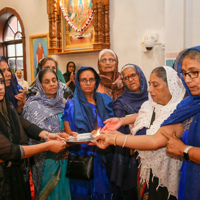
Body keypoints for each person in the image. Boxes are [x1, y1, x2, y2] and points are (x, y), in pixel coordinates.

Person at [93, 66, 186, 200]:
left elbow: (155, 141)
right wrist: (121, 120)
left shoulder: (178, 112)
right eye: (149, 84)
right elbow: (144, 113)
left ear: (171, 86)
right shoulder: (151, 105)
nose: (149, 89)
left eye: (155, 85)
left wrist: (116, 139)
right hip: (147, 172)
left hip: (167, 176)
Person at [0, 68, 67, 200]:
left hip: (15, 172)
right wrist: (47, 146)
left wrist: (47, 135)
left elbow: (23, 122)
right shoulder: (32, 105)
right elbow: (10, 151)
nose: (0, 87)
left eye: (1, 81)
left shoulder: (5, 106)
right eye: (47, 81)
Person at [62, 66, 116, 200]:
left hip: (103, 156)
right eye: (83, 80)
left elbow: (114, 126)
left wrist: (102, 134)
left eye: (91, 79)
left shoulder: (105, 100)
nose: (87, 83)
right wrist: (76, 137)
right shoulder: (71, 104)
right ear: (78, 82)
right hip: (81, 159)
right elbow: (69, 137)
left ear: (96, 81)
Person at [158, 46, 200, 200]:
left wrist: (184, 150)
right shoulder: (188, 104)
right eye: (185, 74)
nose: (188, 80)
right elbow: (158, 138)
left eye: (195, 73)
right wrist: (114, 137)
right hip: (190, 181)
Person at [22, 68, 71, 200]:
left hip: (64, 157)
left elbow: (69, 128)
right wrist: (50, 144)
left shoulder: (64, 103)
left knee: (64, 193)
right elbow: (29, 136)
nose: (52, 84)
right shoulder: (32, 106)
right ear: (40, 85)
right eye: (47, 81)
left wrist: (69, 143)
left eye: (54, 80)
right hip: (44, 160)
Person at [110, 64, 148, 200]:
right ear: (123, 82)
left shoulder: (153, 97)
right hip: (130, 156)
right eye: (126, 78)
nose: (130, 79)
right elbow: (119, 131)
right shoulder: (121, 103)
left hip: (154, 153)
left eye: (133, 75)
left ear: (140, 75)